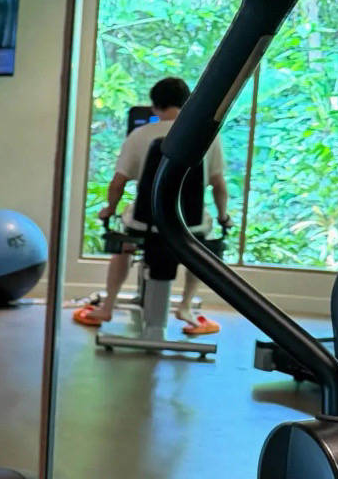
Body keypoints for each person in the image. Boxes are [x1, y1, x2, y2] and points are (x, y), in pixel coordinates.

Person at [74, 76, 231, 332]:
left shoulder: (140, 135)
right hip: (189, 228)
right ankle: (186, 305)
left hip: (145, 225)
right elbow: (219, 185)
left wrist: (109, 209)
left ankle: (108, 306)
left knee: (124, 244)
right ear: (187, 104)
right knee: (199, 249)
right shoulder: (207, 138)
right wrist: (224, 216)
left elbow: (118, 183)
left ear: (155, 106)